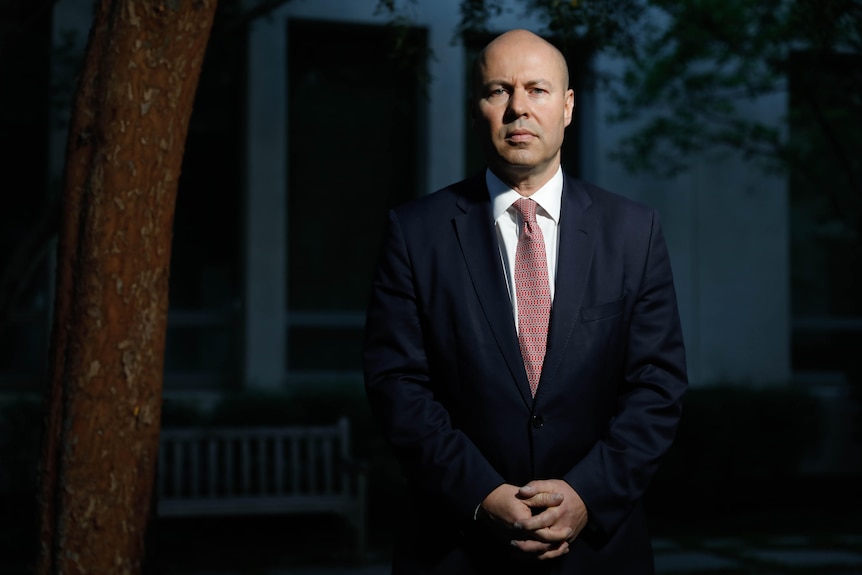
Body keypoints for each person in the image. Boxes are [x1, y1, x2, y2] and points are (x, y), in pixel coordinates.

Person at [363, 28, 687, 574]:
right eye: (497, 91)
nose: (518, 108)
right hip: (455, 549)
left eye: (537, 89)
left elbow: (658, 384)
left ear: (567, 107)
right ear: (477, 109)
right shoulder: (415, 233)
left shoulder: (634, 232)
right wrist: (481, 492)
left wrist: (586, 495)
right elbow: (397, 384)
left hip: (598, 552)